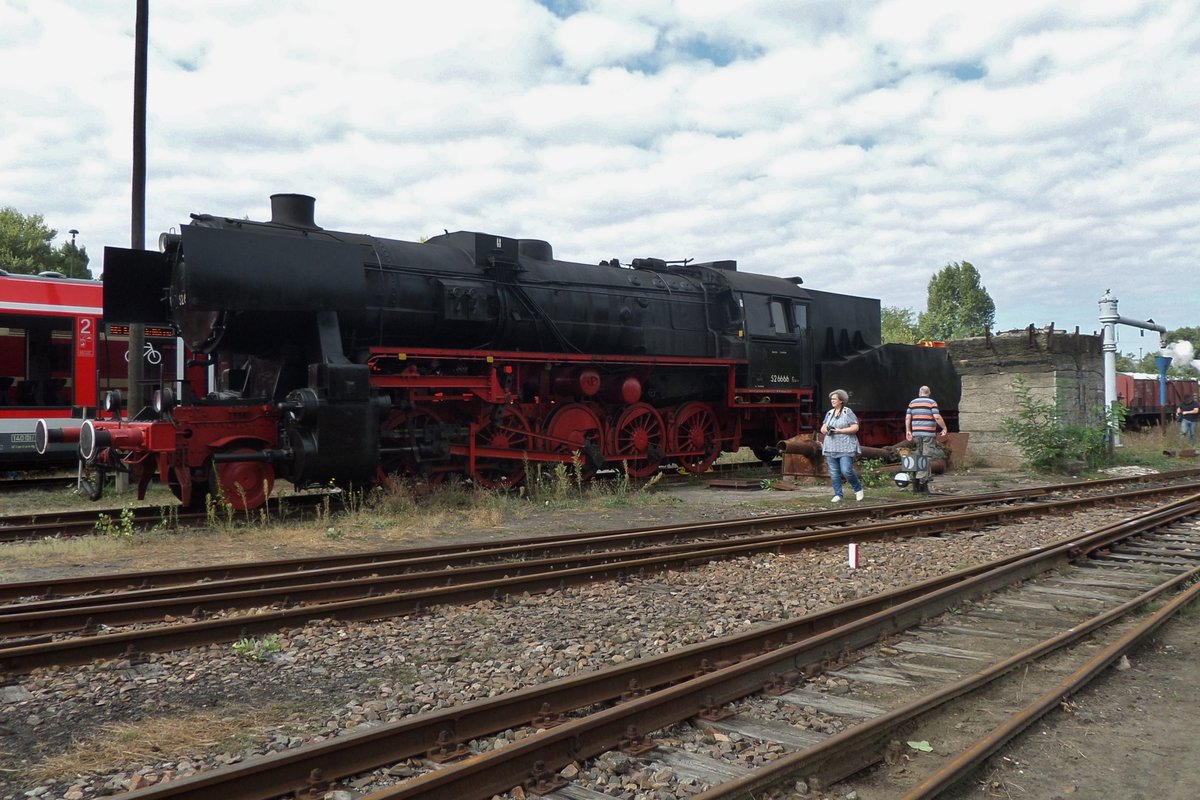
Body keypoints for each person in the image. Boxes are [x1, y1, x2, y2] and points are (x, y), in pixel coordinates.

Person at [820, 388, 863, 503]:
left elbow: (855, 427)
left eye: (834, 399)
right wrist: (827, 430)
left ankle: (858, 488)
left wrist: (839, 430)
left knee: (846, 470)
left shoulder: (847, 412)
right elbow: (822, 428)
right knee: (834, 472)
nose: (832, 401)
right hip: (830, 446)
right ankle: (838, 494)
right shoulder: (829, 413)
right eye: (831, 399)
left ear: (841, 401)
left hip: (846, 446)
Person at [905, 385, 949, 491]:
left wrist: (908, 430)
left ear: (919, 393)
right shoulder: (931, 402)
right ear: (929, 393)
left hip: (916, 434)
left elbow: (907, 418)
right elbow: (937, 417)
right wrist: (944, 428)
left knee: (917, 456)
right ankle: (922, 482)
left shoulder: (912, 403)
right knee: (926, 457)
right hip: (928, 434)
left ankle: (915, 483)